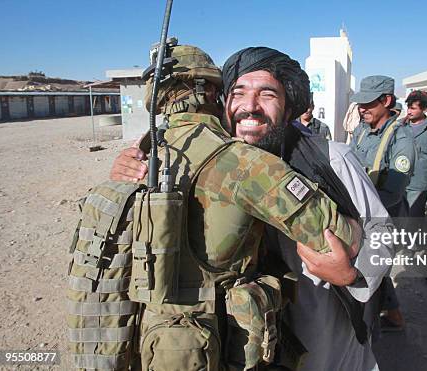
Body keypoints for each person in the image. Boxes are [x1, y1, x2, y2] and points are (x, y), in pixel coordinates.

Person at [112, 46, 394, 371]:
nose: (250, 107)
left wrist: (353, 274)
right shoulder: (205, 160)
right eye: (238, 93)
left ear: (288, 106)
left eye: (267, 94)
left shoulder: (332, 159)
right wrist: (129, 173)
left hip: (325, 344)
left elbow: (383, 232)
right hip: (248, 342)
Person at [349, 75, 416, 331]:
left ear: (386, 100)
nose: (362, 109)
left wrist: (361, 211)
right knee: (374, 267)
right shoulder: (362, 131)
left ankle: (375, 324)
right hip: (362, 212)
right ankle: (393, 314)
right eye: (360, 103)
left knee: (374, 267)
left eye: (368, 103)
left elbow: (394, 193)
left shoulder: (401, 139)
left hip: (386, 215)